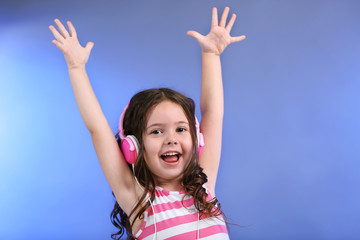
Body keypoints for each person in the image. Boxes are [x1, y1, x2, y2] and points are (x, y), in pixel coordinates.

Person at [49, 6, 245, 240]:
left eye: (181, 129)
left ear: (197, 140)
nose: (171, 138)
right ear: (133, 146)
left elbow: (212, 113)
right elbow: (97, 128)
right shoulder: (138, 199)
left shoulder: (205, 186)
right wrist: (76, 68)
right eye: (156, 131)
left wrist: (211, 55)